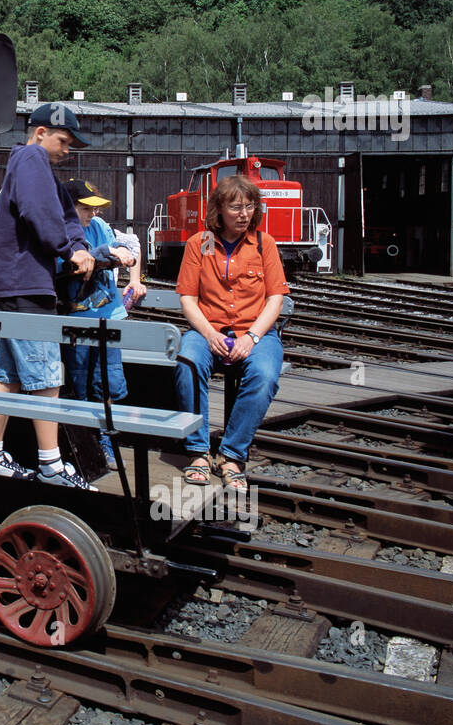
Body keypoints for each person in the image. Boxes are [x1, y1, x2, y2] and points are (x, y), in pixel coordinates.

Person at [0, 103, 96, 490]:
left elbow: (64, 216)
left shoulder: (39, 169)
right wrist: (68, 249)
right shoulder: (31, 157)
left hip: (15, 285)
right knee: (46, 378)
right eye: (64, 140)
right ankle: (51, 467)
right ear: (40, 132)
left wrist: (81, 246)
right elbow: (39, 214)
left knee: (10, 377)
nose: (67, 149)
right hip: (23, 285)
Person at [172, 174, 289, 490]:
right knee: (187, 362)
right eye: (235, 207)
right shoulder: (200, 243)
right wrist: (210, 335)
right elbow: (188, 299)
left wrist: (251, 337)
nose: (243, 214)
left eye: (249, 206)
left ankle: (232, 456)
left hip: (256, 332)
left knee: (264, 375)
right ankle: (198, 452)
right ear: (219, 210)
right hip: (207, 330)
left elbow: (275, 298)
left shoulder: (265, 244)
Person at [58, 179, 147, 458]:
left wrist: (134, 279)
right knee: (79, 379)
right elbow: (66, 266)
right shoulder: (61, 233)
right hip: (79, 319)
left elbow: (130, 248)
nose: (91, 214)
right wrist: (106, 254)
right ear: (69, 207)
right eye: (85, 208)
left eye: (94, 208)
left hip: (109, 316)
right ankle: (85, 442)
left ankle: (107, 438)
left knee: (107, 380)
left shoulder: (100, 227)